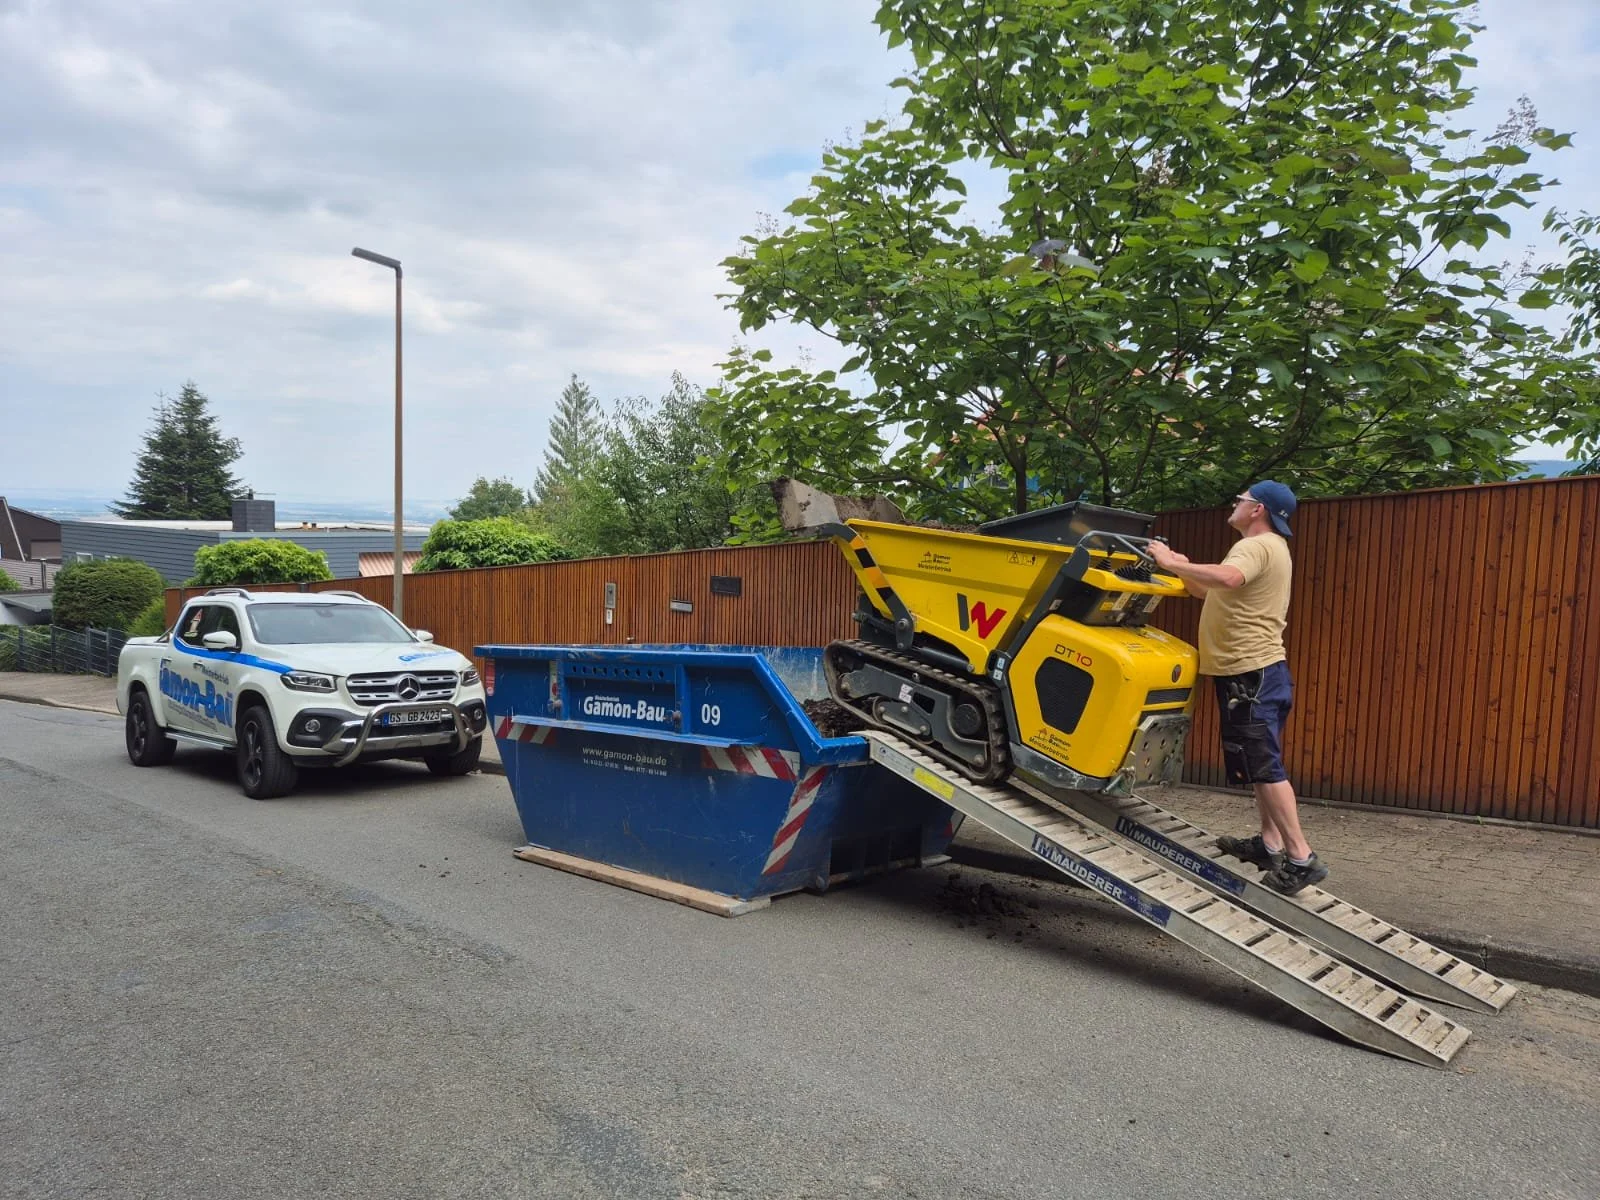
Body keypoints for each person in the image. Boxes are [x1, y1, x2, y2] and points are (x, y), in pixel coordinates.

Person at [1145, 480, 1327, 895]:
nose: (1235, 504)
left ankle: (1301, 859)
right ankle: (1269, 844)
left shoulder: (1254, 547)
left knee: (1264, 765)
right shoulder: (1271, 547)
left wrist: (1171, 558)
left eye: (1241, 500)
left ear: (1257, 509)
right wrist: (1182, 568)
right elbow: (1211, 589)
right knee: (1263, 762)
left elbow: (1227, 579)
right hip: (1263, 672)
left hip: (1249, 674)